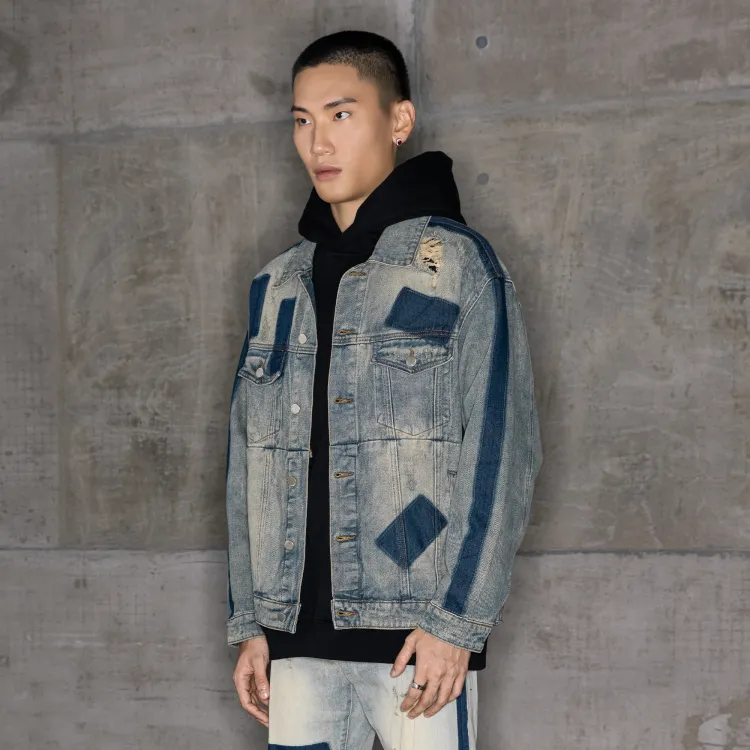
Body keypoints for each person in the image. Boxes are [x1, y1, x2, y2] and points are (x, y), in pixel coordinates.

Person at [224, 29, 543, 750]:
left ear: (399, 120)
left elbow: (503, 452)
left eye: (341, 114)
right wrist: (251, 623)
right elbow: (246, 464)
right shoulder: (278, 283)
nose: (318, 142)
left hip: (416, 638)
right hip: (292, 643)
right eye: (302, 121)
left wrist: (457, 622)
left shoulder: (455, 266)